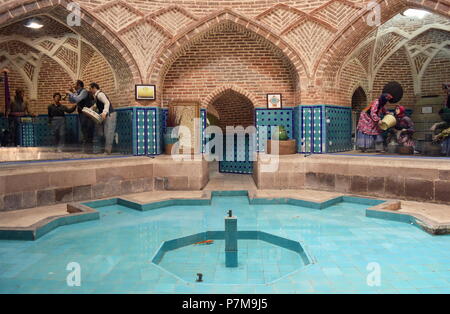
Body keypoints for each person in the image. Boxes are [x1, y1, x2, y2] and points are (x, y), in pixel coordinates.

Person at [89, 83, 117, 155]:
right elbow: (98, 104)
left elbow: (106, 102)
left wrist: (104, 113)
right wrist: (92, 108)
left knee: (108, 133)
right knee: (102, 133)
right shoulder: (97, 96)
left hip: (109, 114)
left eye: (90, 88)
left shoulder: (100, 94)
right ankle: (104, 150)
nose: (90, 90)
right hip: (106, 115)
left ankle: (107, 151)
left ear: (94, 88)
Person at [66, 80, 94, 152]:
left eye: (75, 84)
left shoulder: (84, 91)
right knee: (84, 130)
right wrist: (70, 94)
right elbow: (72, 101)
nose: (73, 85)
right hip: (82, 114)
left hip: (87, 114)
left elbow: (77, 99)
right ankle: (87, 149)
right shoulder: (77, 93)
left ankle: (89, 149)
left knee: (88, 131)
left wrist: (70, 92)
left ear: (79, 85)